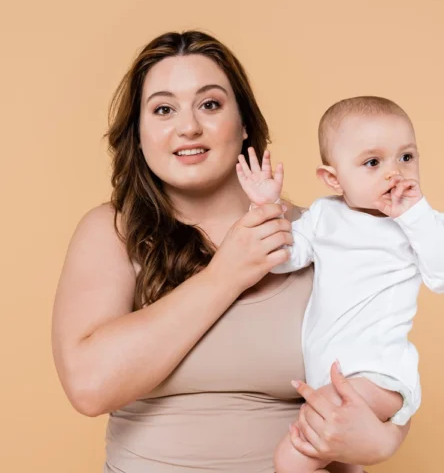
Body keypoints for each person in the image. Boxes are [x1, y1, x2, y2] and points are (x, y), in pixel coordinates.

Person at [51, 30, 410, 472]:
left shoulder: (326, 233)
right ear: (139, 135)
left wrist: (384, 441)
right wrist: (225, 274)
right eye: (164, 109)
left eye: (210, 104)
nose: (188, 127)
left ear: (243, 125)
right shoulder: (112, 231)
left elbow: (385, 365)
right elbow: (89, 386)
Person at [236, 96, 444, 472]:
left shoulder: (419, 223)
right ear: (333, 178)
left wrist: (416, 217)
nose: (394, 173)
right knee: (339, 465)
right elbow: (282, 259)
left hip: (379, 375)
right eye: (373, 162)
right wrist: (266, 206)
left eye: (406, 157)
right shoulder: (324, 216)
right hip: (329, 377)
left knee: (291, 458)